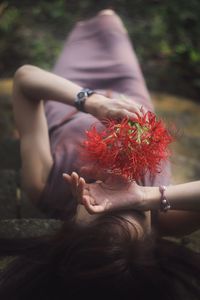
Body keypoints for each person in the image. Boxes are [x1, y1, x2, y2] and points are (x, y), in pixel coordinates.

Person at [0, 9, 199, 300]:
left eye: (101, 210)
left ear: (70, 228)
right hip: (129, 92)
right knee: (109, 19)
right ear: (152, 238)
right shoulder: (165, 217)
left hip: (71, 93)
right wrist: (146, 197)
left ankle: (83, 18)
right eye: (130, 209)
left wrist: (92, 102)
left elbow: (26, 78)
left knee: (94, 23)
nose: (117, 195)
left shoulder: (45, 188)